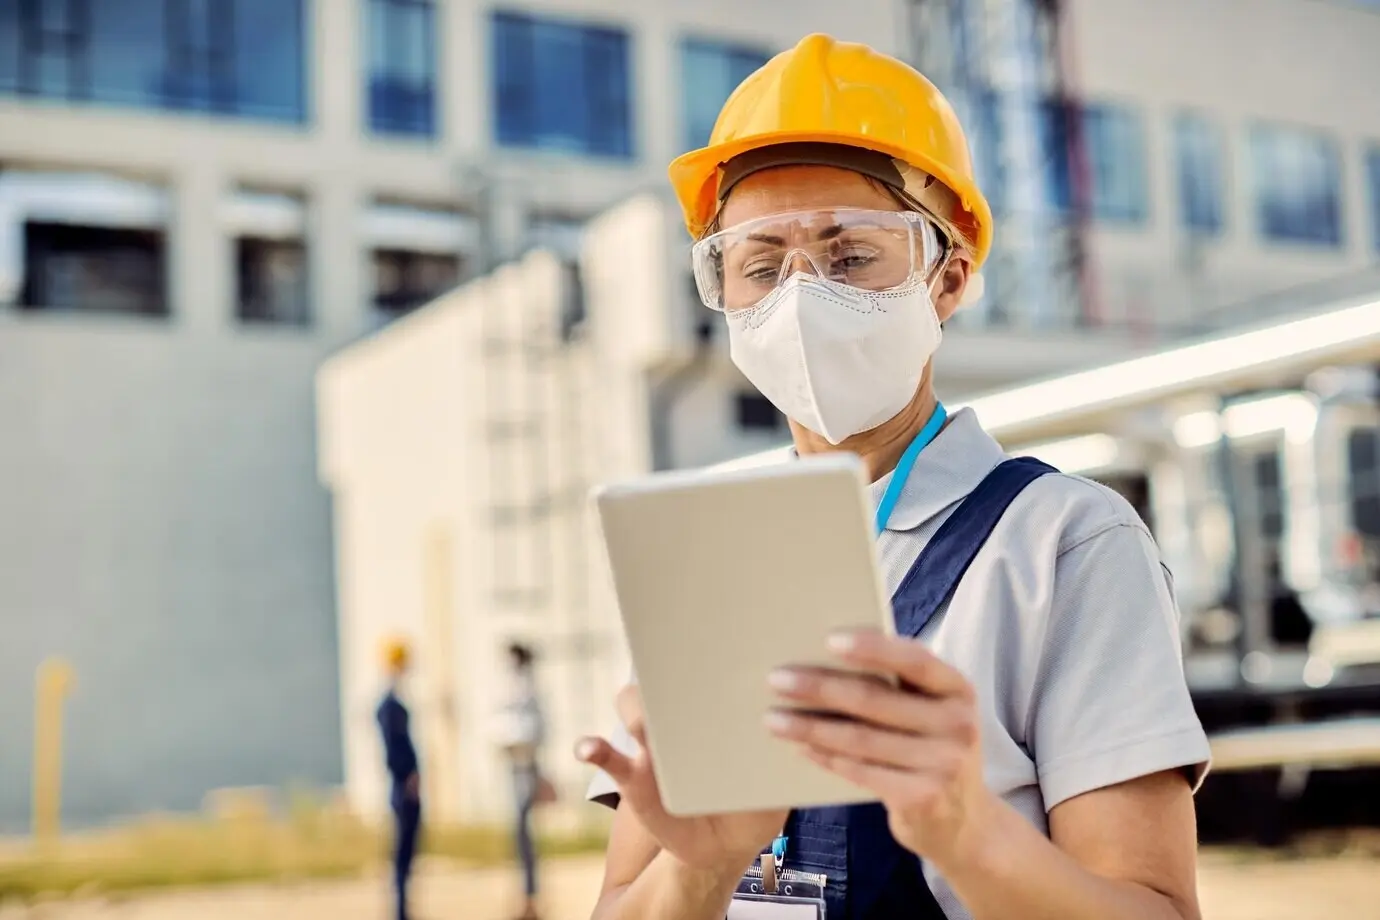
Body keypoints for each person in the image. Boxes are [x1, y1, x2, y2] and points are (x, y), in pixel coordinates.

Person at [576, 33, 1212, 920]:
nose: (800, 295)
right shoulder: (704, 558)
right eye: (759, 265)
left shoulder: (1063, 544)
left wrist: (967, 835)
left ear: (947, 279)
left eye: (850, 256)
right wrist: (702, 870)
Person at [496, 641, 547, 920]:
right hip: (514, 766)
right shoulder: (512, 686)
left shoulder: (528, 689)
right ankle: (525, 897)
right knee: (518, 834)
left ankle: (530, 898)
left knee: (523, 832)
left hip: (526, 764)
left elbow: (532, 730)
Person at [377, 637, 422, 920]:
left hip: (404, 784)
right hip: (402, 786)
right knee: (402, 851)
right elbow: (394, 750)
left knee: (408, 851)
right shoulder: (389, 705)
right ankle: (400, 912)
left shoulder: (395, 703)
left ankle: (404, 909)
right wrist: (407, 777)